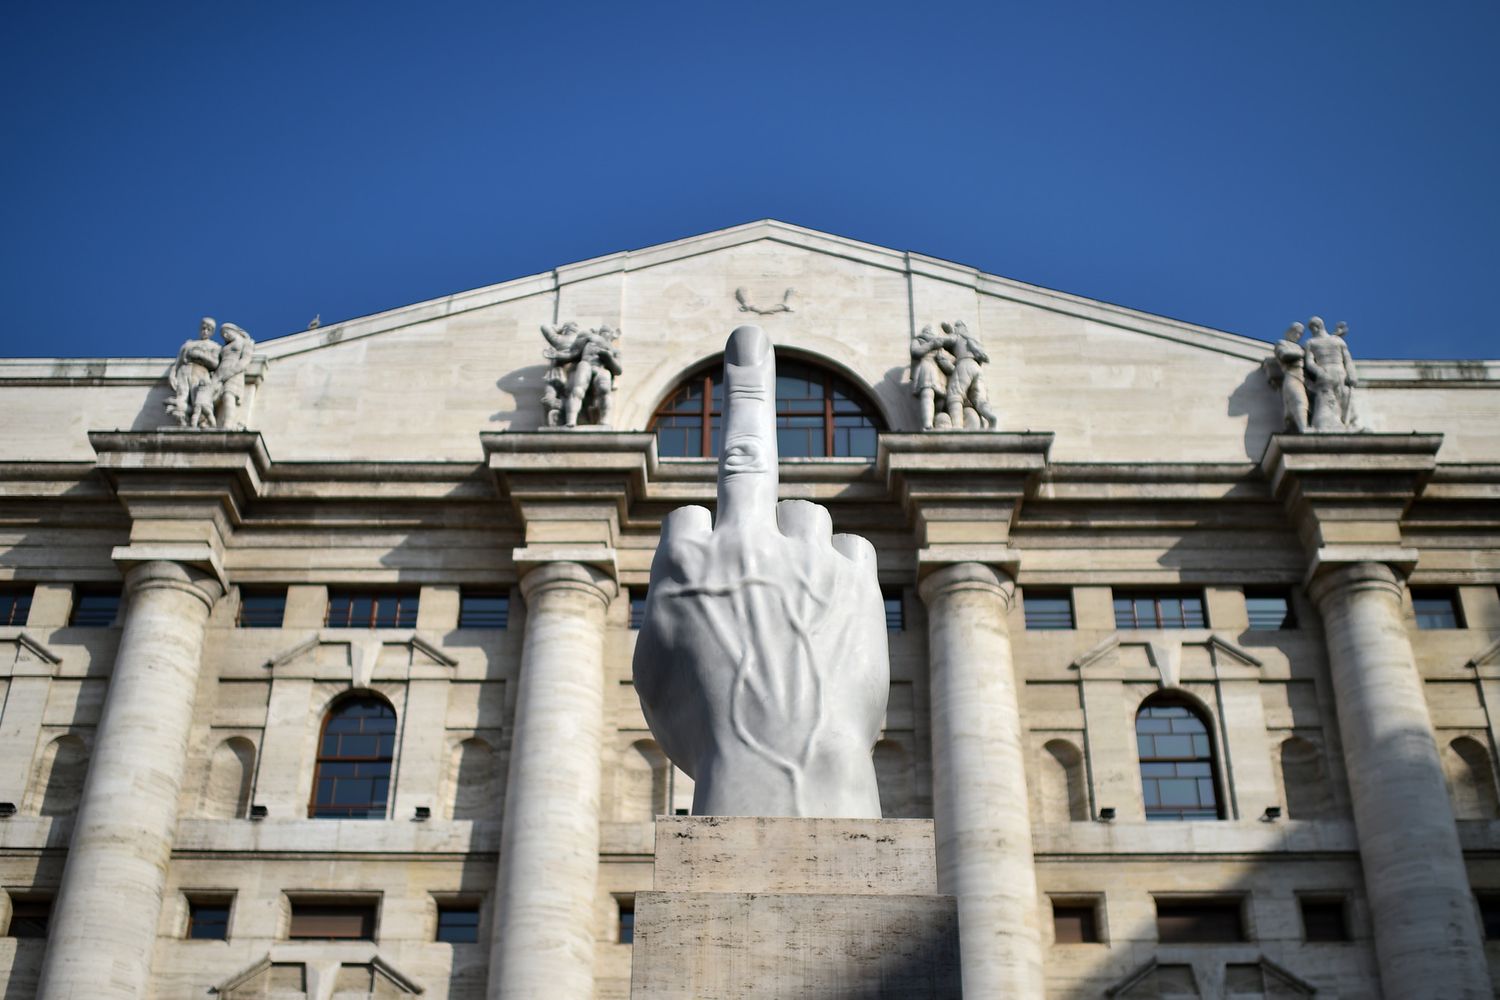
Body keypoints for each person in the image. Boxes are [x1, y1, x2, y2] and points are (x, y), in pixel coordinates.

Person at [939, 320, 998, 429]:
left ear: (957, 328)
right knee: (979, 398)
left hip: (964, 364)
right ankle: (991, 418)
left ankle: (957, 425)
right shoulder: (972, 339)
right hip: (976, 367)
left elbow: (945, 341)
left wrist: (933, 340)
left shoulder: (957, 336)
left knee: (955, 395)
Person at [166, 318, 221, 427]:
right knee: (182, 395)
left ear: (212, 332)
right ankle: (181, 417)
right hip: (184, 370)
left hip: (201, 372)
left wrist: (200, 355)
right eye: (203, 328)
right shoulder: (188, 344)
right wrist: (172, 375)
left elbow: (215, 363)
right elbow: (178, 362)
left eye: (208, 329)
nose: (205, 331)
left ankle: (202, 422)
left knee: (199, 400)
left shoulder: (215, 347)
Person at [1267, 322, 1310, 432]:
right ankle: (1303, 429)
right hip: (1292, 376)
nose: (1298, 336)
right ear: (1290, 332)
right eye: (1296, 333)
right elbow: (1284, 355)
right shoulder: (1282, 344)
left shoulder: (1300, 348)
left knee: (1305, 403)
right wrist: (1302, 353)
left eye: (1300, 334)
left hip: (1302, 379)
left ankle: (1302, 427)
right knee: (1299, 400)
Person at [909, 325, 952, 430]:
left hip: (938, 370)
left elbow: (944, 358)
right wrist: (931, 344)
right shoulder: (919, 340)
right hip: (926, 366)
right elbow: (915, 352)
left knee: (941, 400)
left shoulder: (939, 345)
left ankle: (936, 422)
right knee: (927, 393)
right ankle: (928, 424)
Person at [214, 323, 254, 430]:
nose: (225, 336)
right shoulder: (224, 347)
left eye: (226, 332)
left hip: (234, 373)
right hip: (219, 374)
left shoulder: (246, 342)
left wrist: (230, 372)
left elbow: (245, 361)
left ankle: (228, 424)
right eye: (223, 335)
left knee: (228, 396)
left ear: (234, 330)